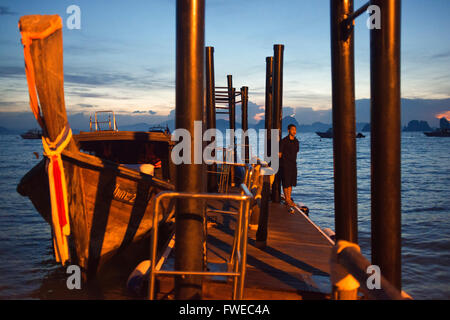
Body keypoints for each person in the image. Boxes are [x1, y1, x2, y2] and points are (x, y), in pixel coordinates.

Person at [279, 124, 299, 207]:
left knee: (291, 182)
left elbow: (296, 151)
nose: (294, 131)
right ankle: (287, 199)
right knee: (286, 182)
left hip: (293, 164)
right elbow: (279, 154)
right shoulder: (284, 141)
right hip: (285, 164)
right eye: (292, 129)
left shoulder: (296, 141)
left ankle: (289, 198)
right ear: (288, 131)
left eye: (295, 129)